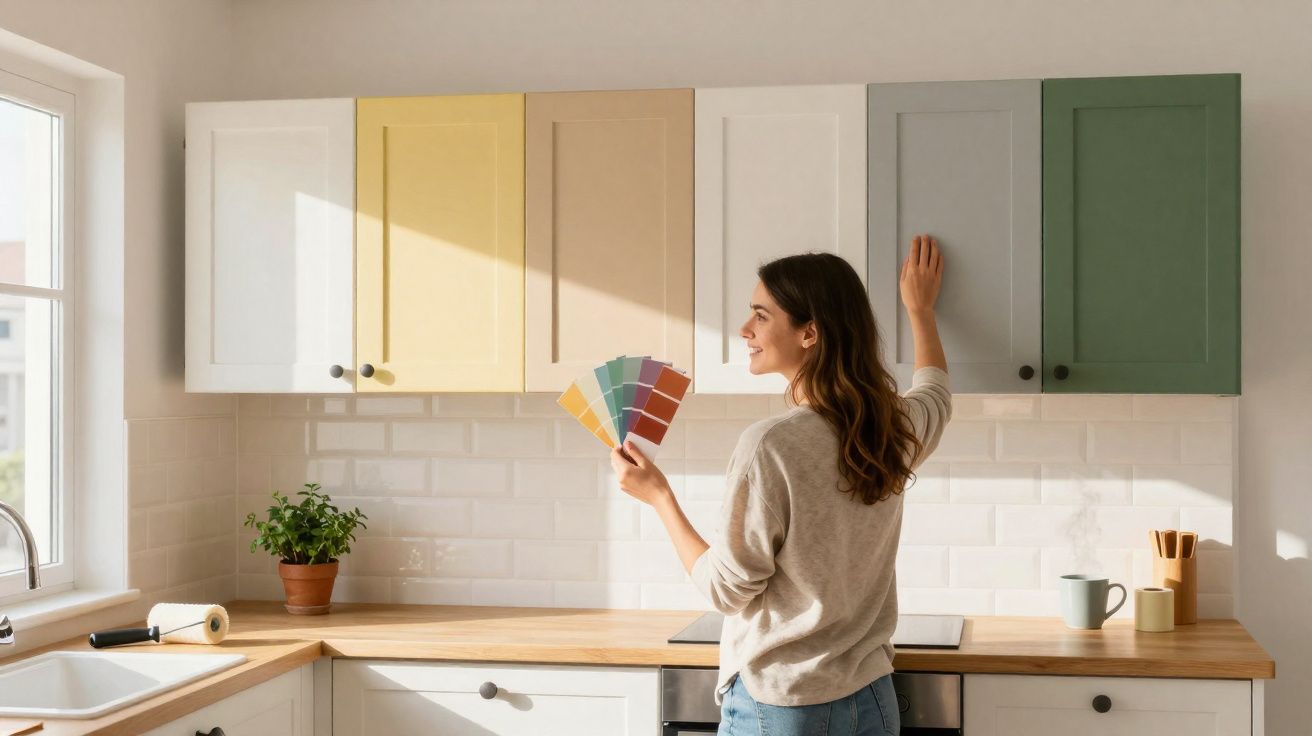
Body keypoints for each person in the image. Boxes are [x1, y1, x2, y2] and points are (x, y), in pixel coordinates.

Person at [610, 234, 951, 736]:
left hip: (784, 707)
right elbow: (936, 394)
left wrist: (658, 496)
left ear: (809, 333)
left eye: (761, 315)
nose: (744, 329)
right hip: (873, 701)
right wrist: (920, 311)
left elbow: (726, 590)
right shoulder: (891, 429)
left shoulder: (770, 445)